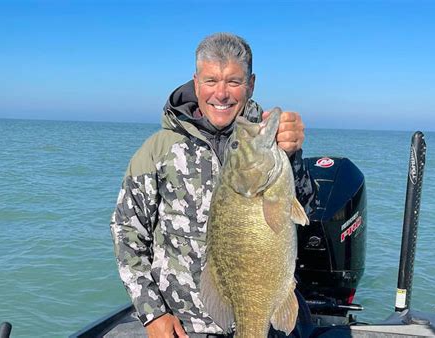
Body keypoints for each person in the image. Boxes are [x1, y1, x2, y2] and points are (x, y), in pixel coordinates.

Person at [110, 32, 313, 338]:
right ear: (196, 83)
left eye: (233, 81)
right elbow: (126, 231)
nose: (221, 93)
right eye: (210, 81)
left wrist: (293, 155)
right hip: (183, 327)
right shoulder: (157, 151)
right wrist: (152, 314)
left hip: (262, 318)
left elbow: (308, 209)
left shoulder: (271, 144)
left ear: (251, 84)